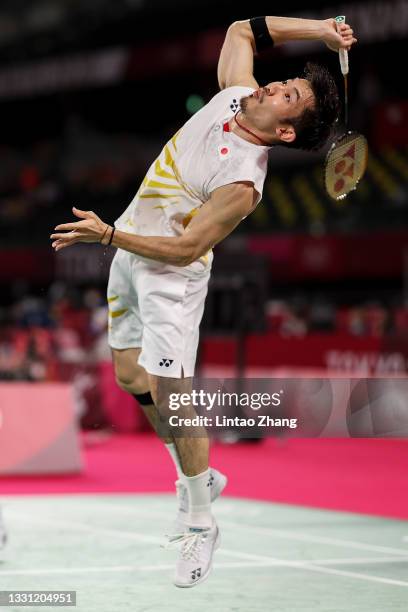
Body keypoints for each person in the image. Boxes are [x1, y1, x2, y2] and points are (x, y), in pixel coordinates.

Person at [51, 15, 356, 588]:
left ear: (286, 132)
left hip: (171, 274)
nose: (271, 86)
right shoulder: (236, 97)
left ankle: (199, 520)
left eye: (286, 95)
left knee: (172, 393)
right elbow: (243, 30)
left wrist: (109, 235)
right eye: (282, 81)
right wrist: (320, 29)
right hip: (130, 250)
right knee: (125, 374)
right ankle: (197, 475)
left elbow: (187, 246)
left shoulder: (242, 182)